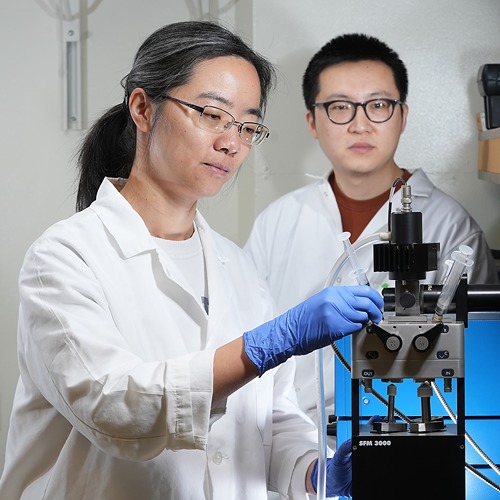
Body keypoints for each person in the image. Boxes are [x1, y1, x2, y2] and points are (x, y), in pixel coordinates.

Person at [0, 21, 384, 500]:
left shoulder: (236, 267)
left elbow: (270, 416)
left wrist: (315, 470)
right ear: (142, 108)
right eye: (211, 114)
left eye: (247, 126)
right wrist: (262, 347)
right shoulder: (65, 258)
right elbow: (112, 406)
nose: (232, 142)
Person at [244, 33, 499, 426]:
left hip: (412, 432)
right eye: (340, 107)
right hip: (290, 441)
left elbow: (481, 363)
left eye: (378, 105)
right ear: (312, 121)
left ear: (402, 115)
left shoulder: (453, 227)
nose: (360, 125)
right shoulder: (276, 222)